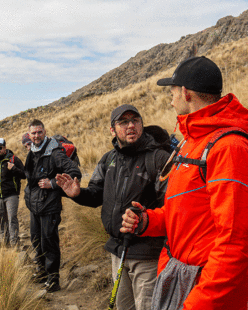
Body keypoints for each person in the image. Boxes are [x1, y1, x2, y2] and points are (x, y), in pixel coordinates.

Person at [120, 56, 248, 310]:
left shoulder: (229, 148)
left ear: (185, 93)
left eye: (173, 91)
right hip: (180, 277)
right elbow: (187, 212)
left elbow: (235, 243)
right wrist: (147, 221)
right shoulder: (193, 141)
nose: (170, 98)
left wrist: (197, 304)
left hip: (204, 292)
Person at [56, 105, 170, 310]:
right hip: (117, 251)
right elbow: (96, 194)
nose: (131, 126)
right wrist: (78, 194)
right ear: (112, 129)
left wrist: (146, 219)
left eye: (135, 120)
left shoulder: (158, 159)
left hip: (148, 256)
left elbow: (173, 208)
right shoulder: (108, 160)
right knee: (123, 306)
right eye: (123, 122)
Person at [24, 119, 82, 293]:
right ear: (29, 134)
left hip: (49, 205)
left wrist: (52, 183)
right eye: (33, 133)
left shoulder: (55, 152)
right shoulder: (32, 152)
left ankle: (53, 278)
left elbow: (74, 172)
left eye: (39, 132)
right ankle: (41, 272)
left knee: (49, 241)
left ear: (44, 131)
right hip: (34, 206)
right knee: (36, 240)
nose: (36, 136)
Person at [0, 138, 26, 247]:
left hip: (11, 195)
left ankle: (14, 242)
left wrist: (14, 169)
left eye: (0, 147)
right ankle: (4, 241)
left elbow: (24, 175)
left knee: (12, 218)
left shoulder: (14, 159)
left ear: (5, 148)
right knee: (0, 219)